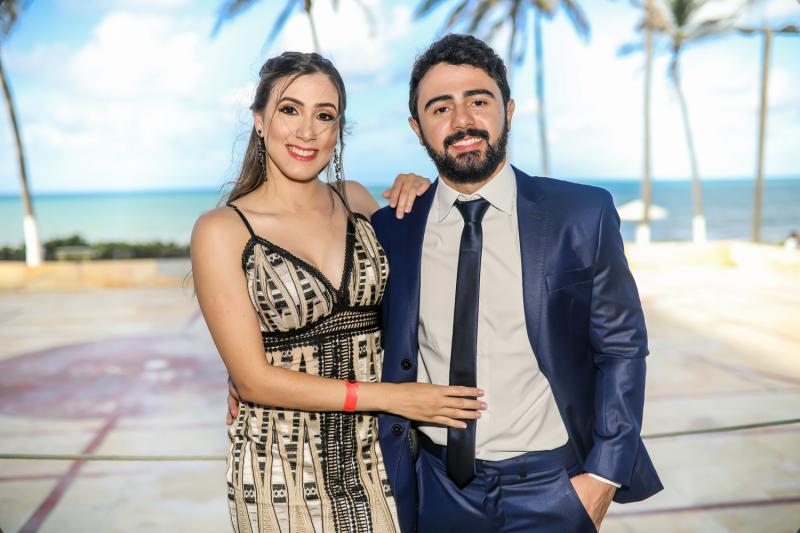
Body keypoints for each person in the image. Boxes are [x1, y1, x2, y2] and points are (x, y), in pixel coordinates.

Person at [370, 35, 663, 532]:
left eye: (478, 102)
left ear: (507, 110)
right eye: (441, 108)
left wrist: (603, 477)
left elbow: (622, 348)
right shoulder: (393, 227)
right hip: (438, 489)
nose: (462, 121)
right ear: (417, 128)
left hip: (554, 486)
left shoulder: (580, 214)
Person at [193, 51, 487, 533]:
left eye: (324, 115)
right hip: (281, 467)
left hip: (383, 458)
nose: (307, 130)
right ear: (259, 121)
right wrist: (393, 397)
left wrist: (422, 191)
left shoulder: (356, 201)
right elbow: (253, 381)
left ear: (338, 130)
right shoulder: (222, 230)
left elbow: (414, 297)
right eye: (290, 110)